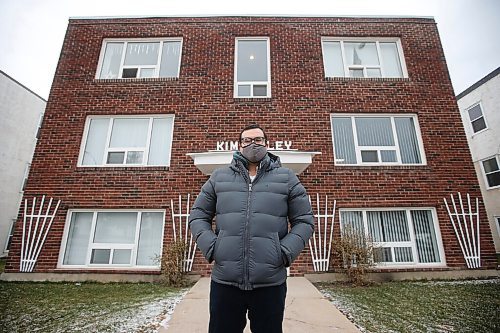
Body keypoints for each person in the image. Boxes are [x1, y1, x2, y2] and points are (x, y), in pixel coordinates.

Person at [189, 124, 314, 333]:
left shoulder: (287, 178)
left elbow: (305, 221)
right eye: (247, 140)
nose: (253, 144)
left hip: (270, 283)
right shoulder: (218, 178)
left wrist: (284, 252)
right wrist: (213, 247)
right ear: (239, 146)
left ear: (266, 143)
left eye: (258, 140)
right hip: (225, 282)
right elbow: (198, 216)